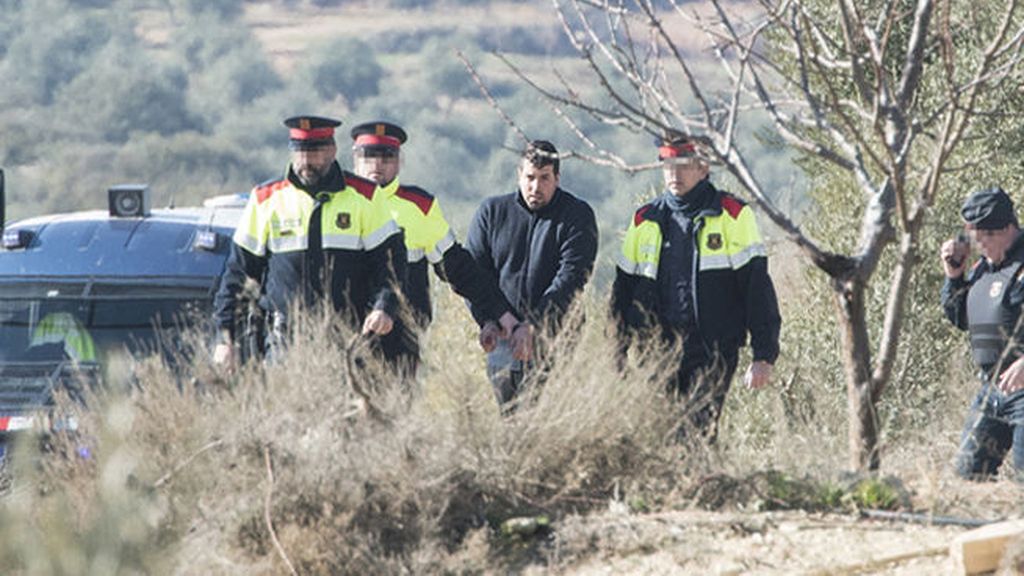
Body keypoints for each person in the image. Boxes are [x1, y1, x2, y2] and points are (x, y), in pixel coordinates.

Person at [610, 133, 781, 439]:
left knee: (698, 432)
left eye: (684, 165)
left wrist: (763, 354)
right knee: (662, 434)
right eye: (668, 165)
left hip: (712, 349)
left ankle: (701, 484)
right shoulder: (645, 220)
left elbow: (757, 290)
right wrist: (617, 351)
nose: (674, 174)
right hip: (657, 350)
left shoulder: (733, 215)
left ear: (704, 168)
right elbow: (622, 293)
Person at [212, 115, 405, 368]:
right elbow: (238, 274)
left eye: (314, 151)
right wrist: (225, 338)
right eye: (299, 150)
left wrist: (384, 306)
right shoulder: (265, 199)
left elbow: (391, 265)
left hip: (349, 338)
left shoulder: (365, 197)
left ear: (332, 150)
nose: (305, 160)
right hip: (283, 342)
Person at [348, 121, 518, 375]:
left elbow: (459, 269)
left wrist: (501, 314)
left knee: (397, 412)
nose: (377, 164)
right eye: (369, 155)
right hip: (346, 331)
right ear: (355, 158)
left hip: (402, 339)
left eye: (387, 156)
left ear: (399, 161)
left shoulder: (419, 206)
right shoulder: (338, 202)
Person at [465, 140, 598, 407]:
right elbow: (474, 276)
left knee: (550, 421)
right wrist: (488, 319)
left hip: (556, 338)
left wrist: (534, 324)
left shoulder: (577, 215)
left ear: (557, 178)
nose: (536, 187)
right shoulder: (492, 213)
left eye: (544, 178)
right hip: (502, 340)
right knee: (510, 422)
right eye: (530, 177)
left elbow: (571, 277)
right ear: (519, 174)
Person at [941, 187, 1024, 481]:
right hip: (991, 391)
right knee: (968, 475)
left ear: (1006, 228)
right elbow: (960, 318)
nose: (979, 245)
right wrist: (954, 276)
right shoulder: (983, 269)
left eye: (984, 237)